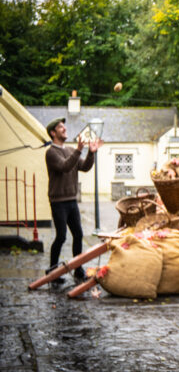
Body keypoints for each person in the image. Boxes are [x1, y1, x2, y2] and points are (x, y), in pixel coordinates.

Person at [45, 117, 103, 283]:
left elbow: (84, 166)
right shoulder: (51, 153)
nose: (64, 128)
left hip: (71, 201)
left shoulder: (71, 150)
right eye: (60, 127)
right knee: (61, 236)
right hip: (58, 202)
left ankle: (78, 270)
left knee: (78, 234)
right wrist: (79, 149)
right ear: (52, 133)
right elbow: (64, 166)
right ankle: (52, 272)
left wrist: (91, 153)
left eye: (64, 126)